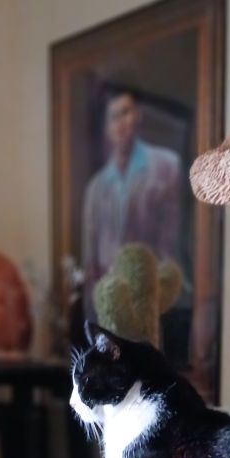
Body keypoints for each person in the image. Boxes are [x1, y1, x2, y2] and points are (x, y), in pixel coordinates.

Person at [81, 89, 181, 312]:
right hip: (111, 306)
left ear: (138, 115)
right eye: (113, 117)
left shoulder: (166, 166)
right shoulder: (96, 188)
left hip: (154, 301)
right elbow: (91, 262)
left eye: (125, 112)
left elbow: (172, 245)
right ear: (107, 129)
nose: (121, 123)